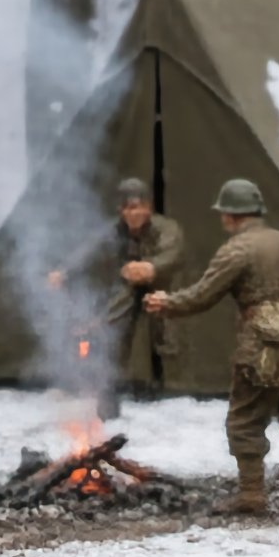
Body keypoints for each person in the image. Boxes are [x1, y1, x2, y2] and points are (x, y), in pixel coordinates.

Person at [143, 178, 279, 516]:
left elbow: (203, 294)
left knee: (245, 419)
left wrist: (166, 302)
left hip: (265, 346)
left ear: (230, 215)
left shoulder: (237, 249)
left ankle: (252, 495)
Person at [47, 177, 185, 414]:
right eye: (128, 208)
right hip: (129, 287)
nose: (134, 213)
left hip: (163, 287)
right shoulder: (115, 230)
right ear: (120, 210)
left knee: (167, 340)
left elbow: (173, 253)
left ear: (149, 207)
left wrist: (151, 267)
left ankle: (171, 391)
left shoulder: (166, 228)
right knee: (112, 335)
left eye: (139, 207)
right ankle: (108, 397)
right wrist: (64, 270)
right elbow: (89, 249)